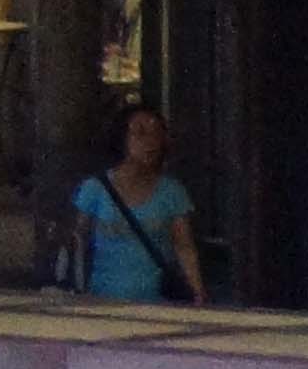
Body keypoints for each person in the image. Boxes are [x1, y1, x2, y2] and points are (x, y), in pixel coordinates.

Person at [69, 97, 207, 302]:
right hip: (102, 299)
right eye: (140, 134)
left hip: (157, 301)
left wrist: (197, 291)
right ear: (122, 139)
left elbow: (183, 245)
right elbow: (78, 241)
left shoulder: (171, 192)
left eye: (157, 134)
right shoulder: (95, 189)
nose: (150, 142)